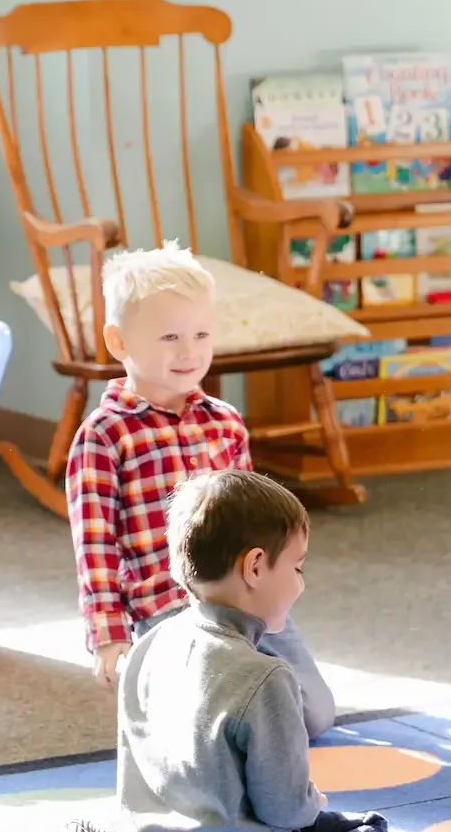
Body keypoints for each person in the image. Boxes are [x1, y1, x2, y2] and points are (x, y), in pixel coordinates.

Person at [57, 469, 390, 832]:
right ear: (254, 567)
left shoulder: (149, 645)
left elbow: (131, 764)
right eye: (296, 567)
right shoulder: (266, 675)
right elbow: (284, 808)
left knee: (159, 817)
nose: (301, 583)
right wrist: (313, 804)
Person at [64, 242, 336, 735]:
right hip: (170, 612)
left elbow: (257, 521)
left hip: (248, 603)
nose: (189, 352)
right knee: (207, 726)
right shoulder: (104, 435)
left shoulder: (226, 423)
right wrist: (108, 637)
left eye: (200, 334)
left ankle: (239, 714)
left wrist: (276, 585)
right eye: (169, 336)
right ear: (119, 341)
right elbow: (95, 546)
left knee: (313, 715)